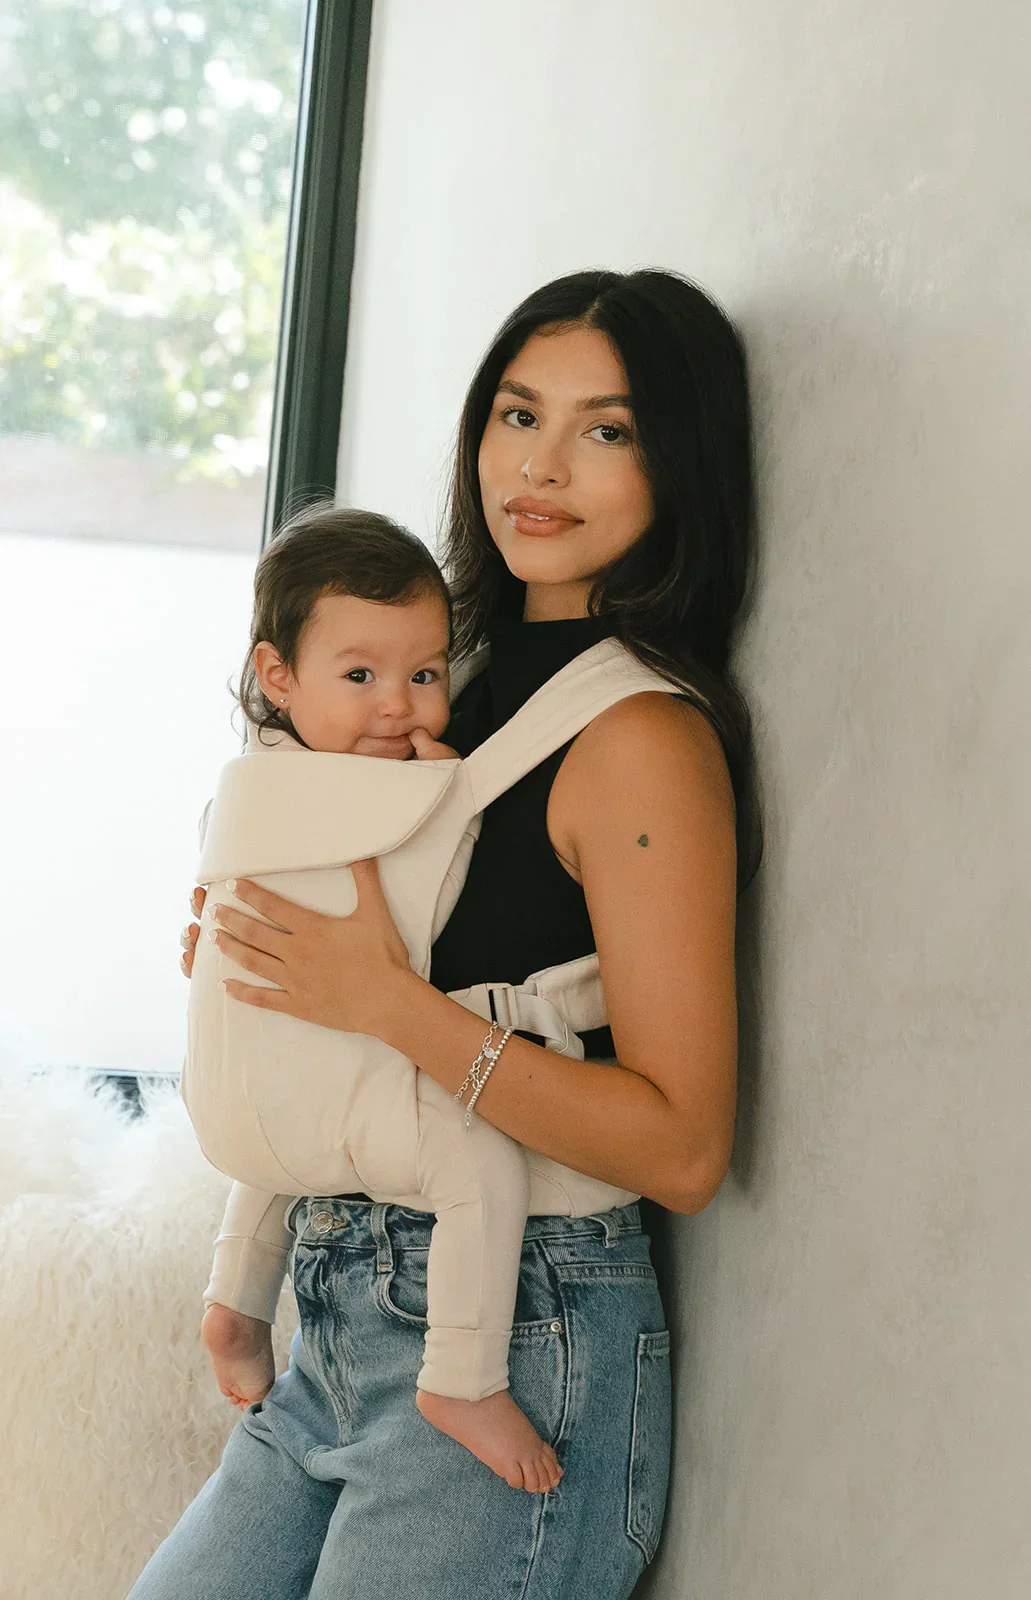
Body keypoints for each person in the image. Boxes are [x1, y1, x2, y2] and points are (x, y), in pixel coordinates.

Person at [134, 266, 754, 1600]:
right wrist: (256, 956)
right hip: (347, 1311)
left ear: (677, 462)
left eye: (605, 429)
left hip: (524, 1331)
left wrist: (379, 1001)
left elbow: (685, 1146)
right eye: (516, 415)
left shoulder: (639, 737)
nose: (540, 466)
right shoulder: (433, 687)